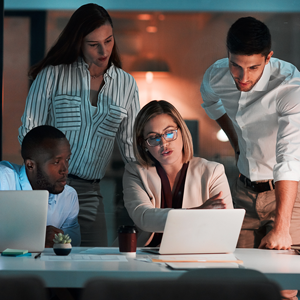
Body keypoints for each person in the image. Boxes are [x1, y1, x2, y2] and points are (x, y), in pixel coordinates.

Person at [18, 3, 140, 246]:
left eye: (108, 40)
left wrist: (146, 195)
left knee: (95, 267)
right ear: (78, 42)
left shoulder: (126, 85)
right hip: (46, 190)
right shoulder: (52, 76)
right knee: (42, 262)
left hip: (90, 194)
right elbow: (29, 136)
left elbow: (132, 150)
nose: (103, 51)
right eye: (93, 44)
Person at [201, 16, 300, 300]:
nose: (243, 77)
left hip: (287, 195)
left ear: (268, 58)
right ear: (228, 55)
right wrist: (236, 144)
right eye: (236, 65)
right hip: (243, 193)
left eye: (254, 67)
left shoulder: (290, 87)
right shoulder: (216, 76)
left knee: (283, 288)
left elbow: (289, 158)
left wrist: (281, 228)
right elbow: (210, 102)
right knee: (239, 285)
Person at [123, 100, 233, 246]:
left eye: (169, 133)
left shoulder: (213, 171)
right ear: (143, 144)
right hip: (145, 254)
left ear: (182, 131)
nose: (163, 143)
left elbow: (225, 224)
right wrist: (197, 213)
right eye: (153, 138)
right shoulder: (135, 172)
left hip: (196, 254)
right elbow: (143, 217)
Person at [0, 125, 80, 247]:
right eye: (56, 162)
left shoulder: (68, 197)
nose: (65, 170)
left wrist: (57, 241)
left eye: (67, 159)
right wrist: (33, 238)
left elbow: (72, 246)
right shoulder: (4, 180)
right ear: (30, 165)